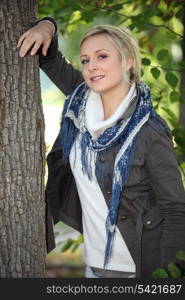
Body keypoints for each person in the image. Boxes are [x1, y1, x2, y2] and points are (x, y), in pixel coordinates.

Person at [17, 17, 185, 278]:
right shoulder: (81, 102)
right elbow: (48, 57)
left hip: (137, 269)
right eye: (85, 60)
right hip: (93, 267)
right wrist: (47, 25)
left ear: (128, 61)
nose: (91, 66)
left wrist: (166, 275)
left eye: (102, 56)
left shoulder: (149, 130)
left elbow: (175, 207)